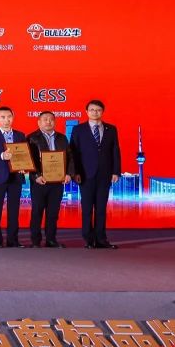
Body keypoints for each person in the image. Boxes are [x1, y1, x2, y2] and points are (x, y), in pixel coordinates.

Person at [72, 99, 121, 249]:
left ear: (102, 112)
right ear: (86, 112)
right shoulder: (78, 129)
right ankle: (88, 239)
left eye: (98, 110)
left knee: (101, 208)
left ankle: (101, 239)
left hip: (104, 174)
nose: (95, 112)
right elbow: (73, 152)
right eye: (92, 110)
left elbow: (115, 151)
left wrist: (116, 171)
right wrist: (75, 172)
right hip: (85, 174)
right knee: (87, 208)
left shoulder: (111, 129)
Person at [26, 111, 73, 248]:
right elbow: (29, 159)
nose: (48, 122)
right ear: (39, 122)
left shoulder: (62, 138)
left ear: (55, 122)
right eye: (45, 119)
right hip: (39, 181)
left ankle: (51, 240)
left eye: (51, 119)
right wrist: (36, 176)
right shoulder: (31, 138)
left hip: (57, 181)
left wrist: (69, 174)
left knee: (53, 212)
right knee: (37, 211)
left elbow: (70, 157)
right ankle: (35, 241)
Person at [0, 106, 29, 247]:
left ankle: (12, 240)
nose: (6, 120)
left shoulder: (20, 135)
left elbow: (24, 153)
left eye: (9, 117)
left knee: (14, 210)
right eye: (3, 117)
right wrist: (3, 155)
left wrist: (24, 166)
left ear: (13, 118)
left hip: (16, 177)